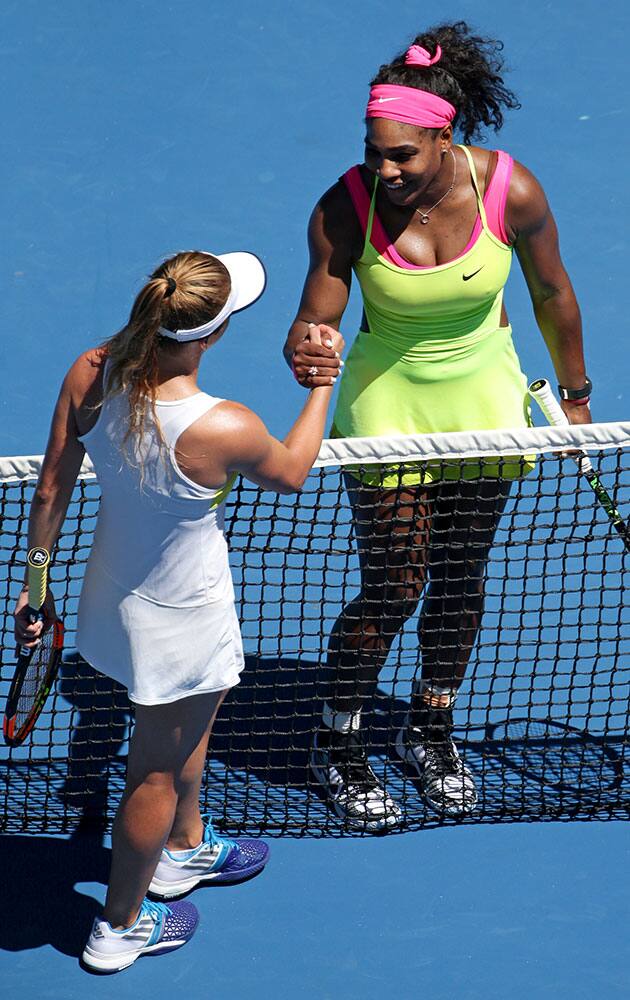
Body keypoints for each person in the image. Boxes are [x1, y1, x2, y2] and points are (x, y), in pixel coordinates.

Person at [284, 21, 591, 832]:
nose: (383, 168)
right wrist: (308, 343)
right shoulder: (344, 205)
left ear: (443, 138)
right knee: (396, 583)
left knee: (460, 576)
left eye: (401, 156)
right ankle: (337, 739)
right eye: (373, 149)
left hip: (484, 402)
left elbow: (553, 295)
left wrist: (577, 396)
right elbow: (317, 312)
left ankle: (431, 724)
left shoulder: (511, 193)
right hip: (388, 400)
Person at [14, 249, 343, 972]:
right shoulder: (223, 426)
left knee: (191, 719)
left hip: (110, 595)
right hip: (184, 616)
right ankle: (118, 927)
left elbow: (48, 489)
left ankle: (185, 849)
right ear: (212, 336)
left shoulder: (89, 370)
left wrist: (35, 586)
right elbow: (291, 470)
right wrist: (324, 383)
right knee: (152, 773)